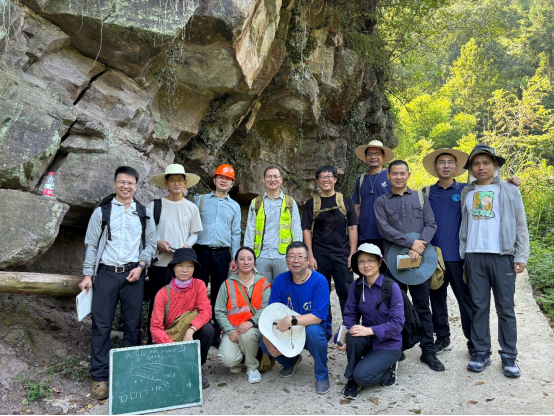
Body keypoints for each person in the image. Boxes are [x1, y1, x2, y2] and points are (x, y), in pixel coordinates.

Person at [421, 150, 522, 357]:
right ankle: (443, 337)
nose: (446, 166)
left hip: (460, 256)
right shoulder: (427, 192)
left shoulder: (465, 190)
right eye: (441, 162)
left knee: (468, 301)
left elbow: (497, 200)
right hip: (436, 256)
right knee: (437, 299)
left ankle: (474, 342)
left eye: (450, 162)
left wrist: (511, 182)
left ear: (457, 167)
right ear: (435, 167)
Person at [79, 166, 157, 400]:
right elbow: (92, 244)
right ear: (114, 184)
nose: (126, 186)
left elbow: (151, 244)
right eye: (121, 182)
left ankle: (129, 374)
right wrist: (87, 275)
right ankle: (100, 377)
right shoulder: (102, 212)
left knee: (133, 325)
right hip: (106, 274)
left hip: (134, 274)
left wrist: (141, 266)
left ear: (136, 186)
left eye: (130, 183)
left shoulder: (143, 213)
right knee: (101, 325)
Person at [460, 145, 530, 378]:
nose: (481, 167)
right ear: (471, 168)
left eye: (486, 162)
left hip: (502, 255)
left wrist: (521, 256)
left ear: (495, 165)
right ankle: (481, 352)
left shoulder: (510, 190)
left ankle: (509, 355)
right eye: (476, 163)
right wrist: (463, 252)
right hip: (473, 254)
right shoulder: (467, 192)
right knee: (478, 306)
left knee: (505, 308)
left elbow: (520, 224)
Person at [374, 160, 445, 372]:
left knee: (422, 305)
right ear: (388, 176)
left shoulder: (421, 198)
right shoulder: (381, 202)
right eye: (394, 173)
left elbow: (431, 224)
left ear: (408, 175)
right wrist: (410, 243)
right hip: (393, 262)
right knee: (394, 307)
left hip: (418, 261)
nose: (398, 177)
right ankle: (396, 349)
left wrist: (419, 246)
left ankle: (428, 350)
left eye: (402, 173)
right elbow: (384, 229)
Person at [261, 242, 332, 395]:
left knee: (314, 332)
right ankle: (290, 361)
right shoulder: (280, 280)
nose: (295, 260)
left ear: (307, 260)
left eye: (300, 256)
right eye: (291, 257)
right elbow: (271, 312)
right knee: (264, 343)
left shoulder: (319, 281)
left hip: (314, 327)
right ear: (286, 260)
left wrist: (291, 320)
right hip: (290, 330)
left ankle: (322, 374)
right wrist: (267, 338)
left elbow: (318, 317)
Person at [146, 164, 203, 344]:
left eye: (179, 180)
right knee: (156, 306)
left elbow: (194, 233)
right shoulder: (155, 205)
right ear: (166, 183)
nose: (176, 183)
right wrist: (157, 242)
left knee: (181, 307)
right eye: (172, 180)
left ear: (185, 183)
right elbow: (146, 232)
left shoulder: (191, 208)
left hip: (182, 266)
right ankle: (153, 344)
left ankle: (177, 343)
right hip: (160, 264)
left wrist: (186, 246)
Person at [339, 244, 404, 400]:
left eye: (370, 260)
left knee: (363, 377)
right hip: (368, 340)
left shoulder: (391, 287)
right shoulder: (356, 286)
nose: (365, 265)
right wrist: (341, 337)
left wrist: (369, 330)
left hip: (389, 344)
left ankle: (388, 371)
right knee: (353, 334)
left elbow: (397, 324)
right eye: (361, 261)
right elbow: (350, 314)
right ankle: (352, 380)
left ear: (380, 262)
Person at [150, 248, 214, 389]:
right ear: (173, 268)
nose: (185, 270)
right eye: (180, 265)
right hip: (170, 339)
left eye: (189, 266)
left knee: (208, 330)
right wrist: (174, 348)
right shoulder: (163, 293)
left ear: (194, 269)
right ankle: (177, 366)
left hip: (189, 336)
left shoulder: (199, 285)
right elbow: (155, 328)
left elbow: (206, 311)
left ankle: (196, 366)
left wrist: (191, 330)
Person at [302, 165, 359, 320]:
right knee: (321, 293)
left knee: (346, 292)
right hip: (319, 256)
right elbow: (306, 230)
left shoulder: (345, 201)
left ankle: (349, 327)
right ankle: (324, 327)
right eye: (322, 177)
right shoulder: (311, 204)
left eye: (329, 176)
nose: (325, 180)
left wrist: (353, 254)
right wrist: (310, 256)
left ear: (335, 179)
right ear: (317, 181)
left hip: (342, 255)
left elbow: (353, 228)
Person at [194, 164, 242, 348]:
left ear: (232, 183)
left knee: (219, 294)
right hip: (200, 251)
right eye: (221, 177)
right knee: (198, 291)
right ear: (214, 179)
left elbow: (235, 232)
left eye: (228, 179)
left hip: (222, 253)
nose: (224, 181)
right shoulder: (200, 200)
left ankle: (215, 332)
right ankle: (198, 329)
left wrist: (235, 257)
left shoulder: (234, 206)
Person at [215, 247, 271, 384]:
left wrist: (251, 322)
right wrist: (230, 331)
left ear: (254, 262)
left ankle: (252, 367)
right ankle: (240, 359)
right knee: (228, 360)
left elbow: (267, 308)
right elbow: (219, 311)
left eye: (249, 259)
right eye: (242, 259)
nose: (246, 262)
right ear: (236, 262)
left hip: (256, 328)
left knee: (247, 334)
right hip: (234, 330)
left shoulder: (263, 283)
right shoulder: (227, 284)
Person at [244, 166, 303, 283]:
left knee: (285, 289)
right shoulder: (256, 203)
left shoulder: (290, 203)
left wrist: (297, 256)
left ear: (281, 179)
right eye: (269, 176)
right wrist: (248, 256)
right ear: (263, 180)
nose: (272, 179)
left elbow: (296, 231)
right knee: (261, 290)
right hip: (261, 256)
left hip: (284, 257)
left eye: (276, 176)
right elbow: (250, 230)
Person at [353, 140, 395, 253]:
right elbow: (357, 206)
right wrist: (355, 229)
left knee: (385, 263)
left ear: (383, 157)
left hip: (385, 233)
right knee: (365, 262)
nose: (373, 157)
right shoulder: (361, 179)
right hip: (364, 233)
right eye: (370, 154)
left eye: (377, 154)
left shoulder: (390, 176)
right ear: (365, 157)